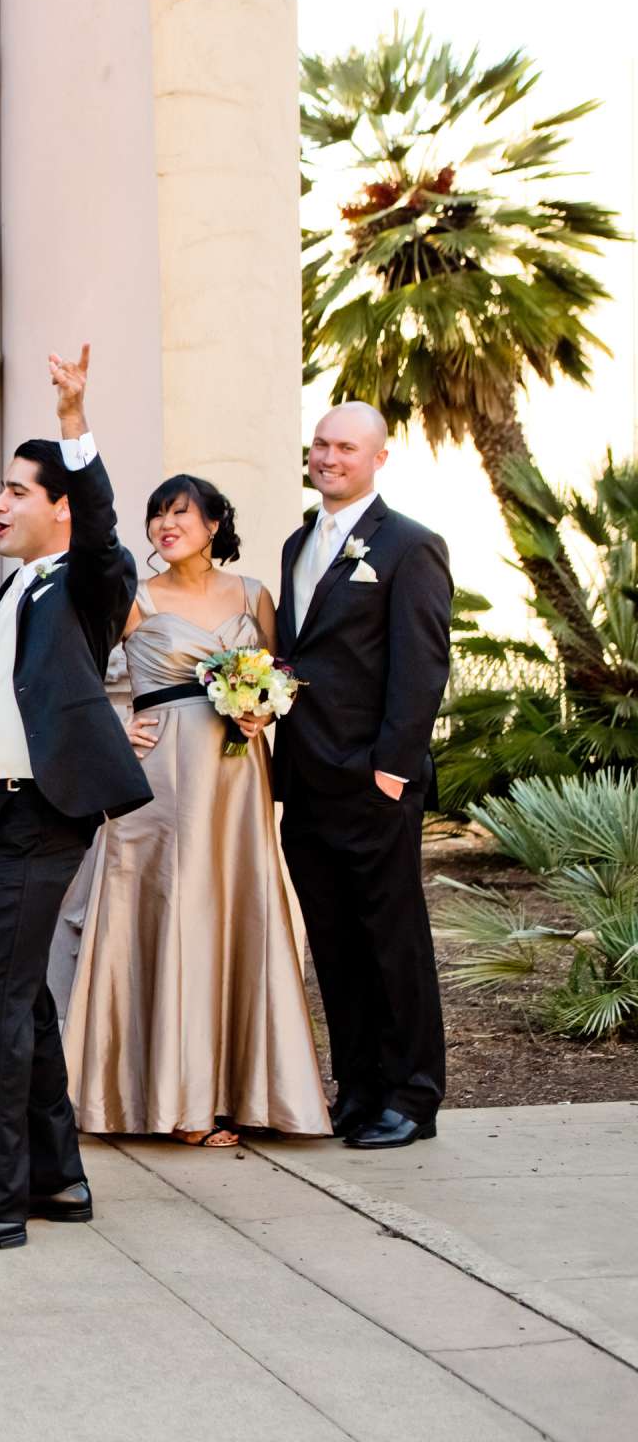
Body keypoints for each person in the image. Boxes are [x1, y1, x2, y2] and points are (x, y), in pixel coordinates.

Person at [0, 345, 151, 1261]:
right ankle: (56, 1174)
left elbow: (109, 528)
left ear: (60, 507)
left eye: (15, 490)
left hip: (39, 814)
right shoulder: (14, 590)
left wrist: (76, 420)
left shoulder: (91, 580)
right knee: (21, 1000)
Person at [65, 476, 330, 1145]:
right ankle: (176, 1101)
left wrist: (261, 708)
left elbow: (281, 675)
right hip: (162, 778)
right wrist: (114, 724)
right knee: (176, 910)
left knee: (234, 908)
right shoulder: (135, 596)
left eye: (179, 513)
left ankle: (243, 1091)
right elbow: (74, 673)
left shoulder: (252, 595)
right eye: (156, 515)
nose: (164, 525)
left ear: (214, 523)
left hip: (237, 774)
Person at [274, 403, 452, 1150]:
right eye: (320, 443)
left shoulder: (410, 547)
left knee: (393, 939)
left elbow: (423, 667)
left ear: (379, 457)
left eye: (345, 446)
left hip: (372, 780)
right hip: (307, 780)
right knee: (335, 942)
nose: (328, 457)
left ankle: (412, 1095)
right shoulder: (296, 542)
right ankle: (359, 1089)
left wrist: (390, 773)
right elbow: (299, 653)